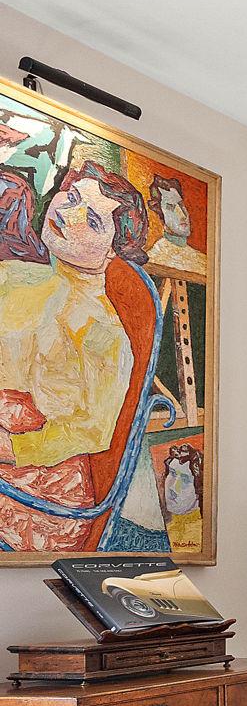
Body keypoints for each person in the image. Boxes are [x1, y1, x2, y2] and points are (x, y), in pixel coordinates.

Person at [0, 160, 145, 551]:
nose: (68, 212)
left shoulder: (105, 334)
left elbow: (92, 431)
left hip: (37, 489)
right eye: (73, 196)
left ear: (114, 252)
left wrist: (12, 450)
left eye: (94, 221)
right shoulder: (13, 276)